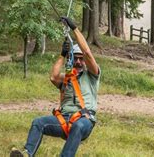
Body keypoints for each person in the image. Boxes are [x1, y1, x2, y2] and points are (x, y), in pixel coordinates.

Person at [10, 17, 100, 157]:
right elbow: (53, 77)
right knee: (38, 123)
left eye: (81, 58)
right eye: (75, 58)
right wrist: (62, 55)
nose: (78, 61)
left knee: (78, 126)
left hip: (84, 120)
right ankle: (27, 154)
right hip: (64, 119)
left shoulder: (92, 76)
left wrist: (75, 29)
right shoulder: (67, 78)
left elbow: (87, 53)